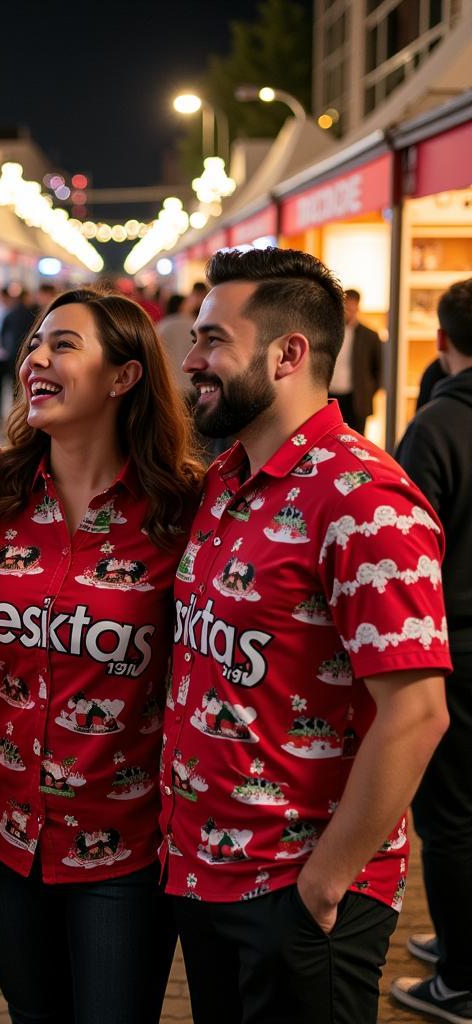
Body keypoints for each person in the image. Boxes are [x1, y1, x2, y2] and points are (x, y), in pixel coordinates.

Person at [162, 247, 451, 1024]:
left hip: (298, 891)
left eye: (214, 340)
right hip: (203, 872)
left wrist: (326, 882)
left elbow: (418, 713)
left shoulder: (365, 500)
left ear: (289, 354)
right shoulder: (227, 479)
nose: (193, 360)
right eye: (195, 338)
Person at [0, 288, 202, 1023]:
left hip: (124, 850)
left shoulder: (183, 509)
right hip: (4, 837)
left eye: (63, 344)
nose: (36, 357)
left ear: (123, 376)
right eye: (35, 342)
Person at [392, 278, 472, 1024]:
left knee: (449, 817)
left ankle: (461, 974)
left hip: (460, 642)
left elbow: (409, 552)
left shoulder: (439, 423)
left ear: (443, 342)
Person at [328, 288, 383, 434]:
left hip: (356, 399)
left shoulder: (370, 336)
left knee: (357, 440)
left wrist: (368, 390)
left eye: (352, 306)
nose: (349, 310)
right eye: (346, 306)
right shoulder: (329, 332)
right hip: (330, 395)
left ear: (358, 307)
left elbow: (379, 370)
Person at [0, 286, 36, 424]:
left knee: (6, 386)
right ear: (26, 298)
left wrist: (5, 348)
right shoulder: (32, 314)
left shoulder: (10, 314)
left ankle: (4, 414)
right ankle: (20, 413)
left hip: (10, 355)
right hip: (25, 355)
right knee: (20, 385)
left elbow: (2, 335)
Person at [157, 293, 196, 396]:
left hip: (169, 383)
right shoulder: (193, 325)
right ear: (181, 305)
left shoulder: (162, 326)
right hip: (191, 382)